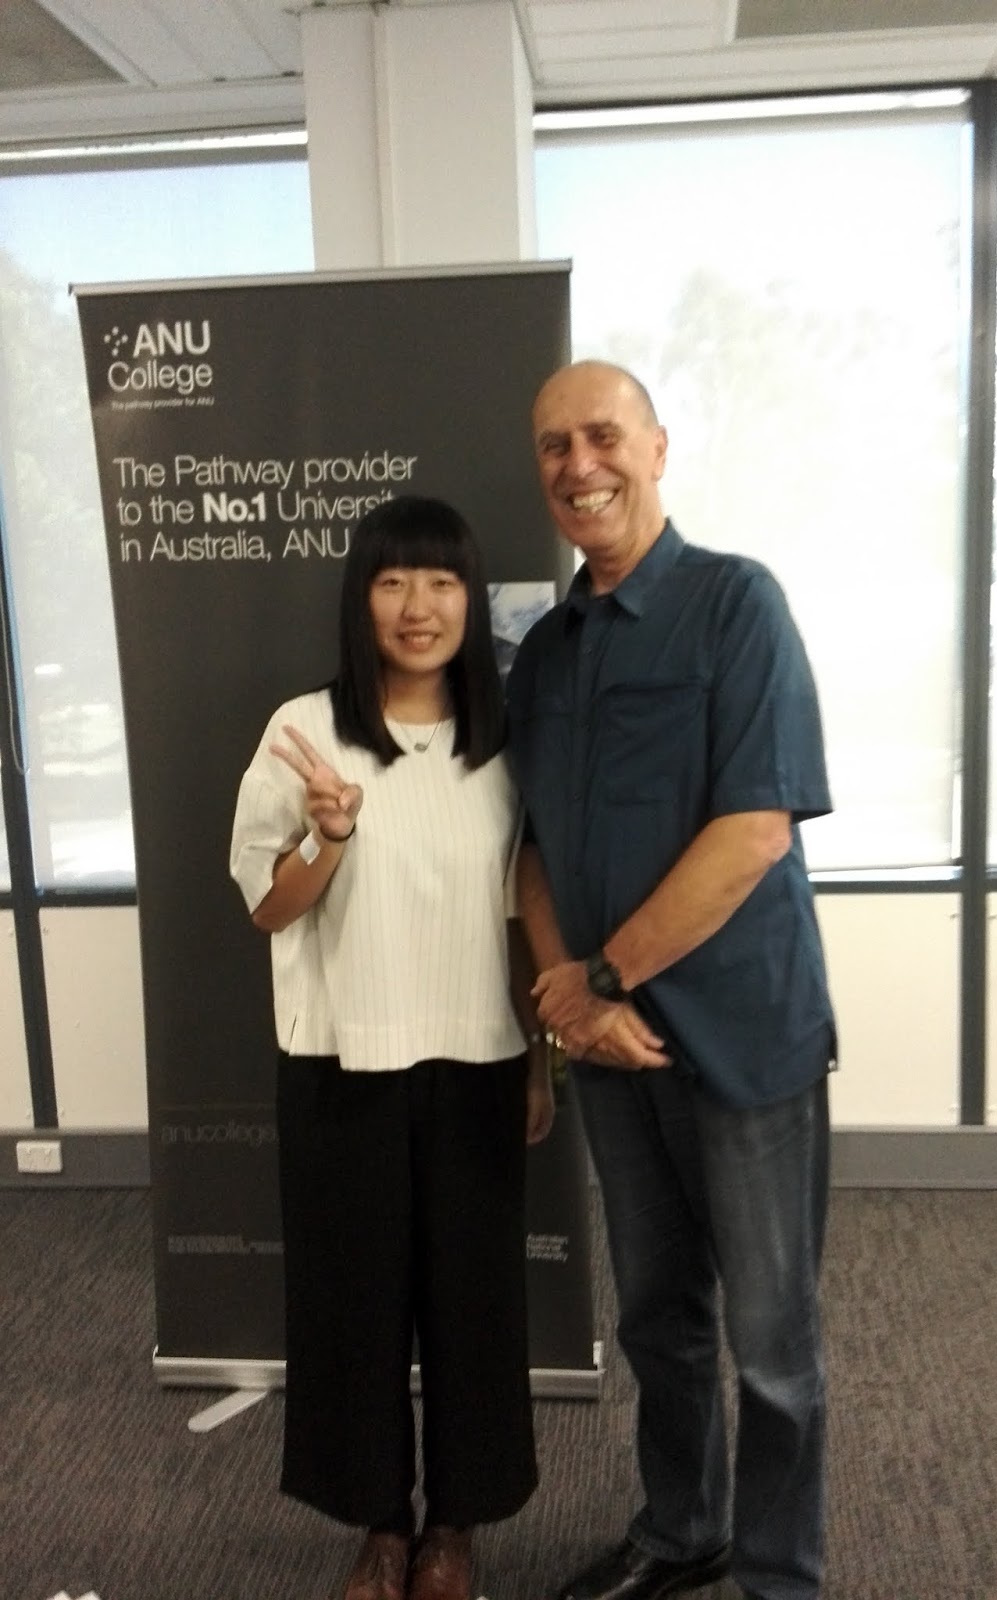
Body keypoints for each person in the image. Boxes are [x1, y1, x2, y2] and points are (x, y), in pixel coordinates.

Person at [506, 362, 836, 1600]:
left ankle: (778, 1574)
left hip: (741, 1037)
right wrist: (565, 985)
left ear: (656, 448)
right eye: (554, 446)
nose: (579, 464)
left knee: (772, 1342)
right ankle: (683, 1527)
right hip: (610, 1048)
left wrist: (599, 980)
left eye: (602, 435)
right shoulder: (544, 654)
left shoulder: (737, 603)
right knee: (656, 1314)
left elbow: (754, 831)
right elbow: (531, 843)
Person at [230, 494, 553, 1600]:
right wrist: (328, 835)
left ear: (471, 598)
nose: (419, 606)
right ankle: (379, 1526)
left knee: (474, 1303)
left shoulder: (502, 742)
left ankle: (453, 1529)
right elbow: (267, 907)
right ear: (360, 598)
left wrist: (539, 1057)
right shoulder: (305, 730)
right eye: (393, 580)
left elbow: (522, 908)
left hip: (478, 1057)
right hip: (341, 1062)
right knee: (351, 1304)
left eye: (443, 581)